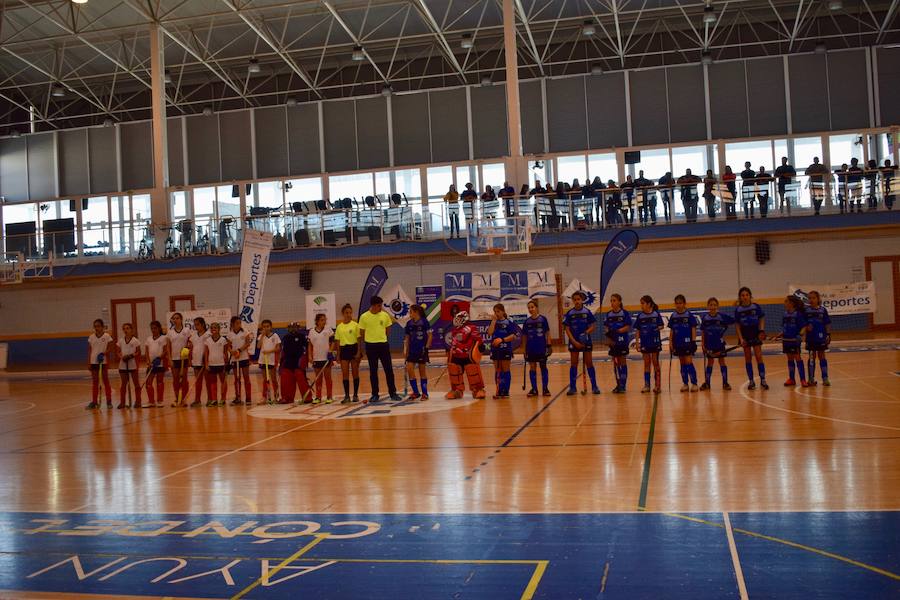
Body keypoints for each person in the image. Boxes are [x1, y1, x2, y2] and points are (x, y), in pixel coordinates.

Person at [358, 296, 399, 403]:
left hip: (383, 345)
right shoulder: (364, 317)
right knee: (373, 371)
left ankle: (393, 393)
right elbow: (362, 333)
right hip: (371, 346)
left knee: (389, 370)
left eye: (381, 305)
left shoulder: (385, 315)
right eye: (379, 305)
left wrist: (381, 338)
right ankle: (375, 394)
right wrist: (369, 341)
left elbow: (388, 330)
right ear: (373, 305)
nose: (380, 307)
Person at [563, 291, 600, 395]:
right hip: (574, 342)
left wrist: (586, 333)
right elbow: (567, 329)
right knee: (574, 364)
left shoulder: (587, 312)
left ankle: (594, 386)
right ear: (572, 301)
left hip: (586, 341)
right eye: (574, 300)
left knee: (589, 363)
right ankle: (573, 387)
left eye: (578, 299)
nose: (577, 301)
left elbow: (593, 326)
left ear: (582, 300)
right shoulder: (569, 313)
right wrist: (574, 342)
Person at [445, 311, 486, 400]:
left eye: (459, 319)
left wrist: (480, 349)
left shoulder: (472, 328)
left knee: (472, 371)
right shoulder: (454, 330)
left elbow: (479, 341)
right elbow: (453, 344)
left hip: (468, 355)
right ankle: (457, 390)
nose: (457, 321)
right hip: (457, 355)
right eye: (456, 319)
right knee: (454, 370)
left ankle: (478, 389)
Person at [735, 286, 768, 390]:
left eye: (747, 295)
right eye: (742, 295)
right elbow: (737, 325)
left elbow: (762, 318)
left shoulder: (756, 307)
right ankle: (751, 381)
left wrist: (761, 330)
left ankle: (763, 380)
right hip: (745, 336)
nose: (745, 297)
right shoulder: (738, 310)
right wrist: (741, 338)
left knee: (759, 357)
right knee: (748, 358)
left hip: (755, 335)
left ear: (750, 296)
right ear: (740, 297)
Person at [699, 298, 733, 391]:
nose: (713, 307)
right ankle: (707, 383)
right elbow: (703, 332)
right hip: (709, 344)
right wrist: (702, 344)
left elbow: (733, 321)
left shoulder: (722, 316)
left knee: (722, 361)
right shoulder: (705, 318)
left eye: (714, 305)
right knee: (710, 363)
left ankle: (725, 383)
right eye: (711, 305)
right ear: (708, 306)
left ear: (717, 306)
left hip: (720, 344)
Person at [488, 303, 519, 399]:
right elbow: (490, 333)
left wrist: (502, 340)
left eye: (498, 311)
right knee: (497, 370)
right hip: (495, 350)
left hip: (505, 348)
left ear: (503, 311)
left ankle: (506, 391)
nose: (496, 313)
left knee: (505, 369)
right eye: (495, 312)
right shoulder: (494, 322)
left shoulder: (508, 322)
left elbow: (513, 336)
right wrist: (493, 321)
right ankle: (499, 390)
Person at [669, 294, 699, 392]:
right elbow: (672, 330)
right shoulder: (673, 316)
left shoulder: (689, 315)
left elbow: (693, 328)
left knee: (689, 362)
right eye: (677, 303)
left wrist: (693, 341)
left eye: (680, 303)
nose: (678, 305)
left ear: (684, 304)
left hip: (688, 343)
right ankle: (685, 384)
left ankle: (694, 384)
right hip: (678, 343)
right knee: (682, 363)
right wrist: (670, 342)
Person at [633, 295, 663, 394]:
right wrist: (637, 342)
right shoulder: (640, 316)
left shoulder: (656, 314)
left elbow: (661, 325)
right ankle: (647, 385)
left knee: (655, 363)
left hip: (654, 342)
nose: (641, 305)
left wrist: (655, 329)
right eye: (641, 303)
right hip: (645, 343)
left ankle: (657, 385)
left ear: (649, 304)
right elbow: (637, 330)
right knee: (646, 364)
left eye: (643, 303)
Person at [604, 293, 632, 393]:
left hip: (622, 342)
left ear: (619, 302)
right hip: (613, 343)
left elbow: (628, 326)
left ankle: (623, 385)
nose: (612, 302)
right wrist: (609, 337)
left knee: (622, 362)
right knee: (615, 364)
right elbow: (606, 328)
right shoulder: (608, 314)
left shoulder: (624, 313)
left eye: (614, 300)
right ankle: (618, 384)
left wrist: (618, 331)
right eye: (611, 301)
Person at [523, 299, 551, 397]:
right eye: (529, 308)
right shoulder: (527, 322)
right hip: (531, 349)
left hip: (541, 348)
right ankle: (534, 389)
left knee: (543, 367)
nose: (531, 309)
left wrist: (549, 346)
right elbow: (525, 337)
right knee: (532, 368)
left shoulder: (543, 319)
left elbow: (547, 333)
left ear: (536, 308)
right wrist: (524, 350)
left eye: (532, 307)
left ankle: (545, 389)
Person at [404, 304, 432, 401]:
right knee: (410, 369)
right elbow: (407, 338)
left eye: (410, 312)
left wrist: (426, 348)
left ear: (416, 312)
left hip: (422, 350)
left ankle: (425, 394)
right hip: (412, 351)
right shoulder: (409, 324)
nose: (409, 314)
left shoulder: (424, 322)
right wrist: (406, 351)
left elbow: (430, 336)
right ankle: (416, 392)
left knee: (422, 372)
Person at [335, 304, 361, 403]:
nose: (349, 314)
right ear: (343, 314)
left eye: (350, 313)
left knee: (355, 373)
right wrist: (338, 354)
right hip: (344, 350)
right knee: (345, 374)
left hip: (354, 349)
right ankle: (346, 396)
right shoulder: (339, 327)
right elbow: (337, 341)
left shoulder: (355, 325)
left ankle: (355, 395)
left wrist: (359, 352)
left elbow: (359, 340)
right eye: (346, 313)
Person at [804, 290, 832, 386]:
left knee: (822, 356)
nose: (811, 300)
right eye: (810, 298)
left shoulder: (823, 310)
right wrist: (806, 326)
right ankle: (811, 379)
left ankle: (825, 378)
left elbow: (827, 323)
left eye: (813, 298)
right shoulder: (806, 310)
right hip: (810, 338)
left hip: (821, 337)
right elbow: (802, 323)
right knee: (812, 357)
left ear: (818, 299)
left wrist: (828, 334)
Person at [280, 321, 310, 404]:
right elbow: (283, 351)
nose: (293, 329)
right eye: (291, 327)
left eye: (295, 327)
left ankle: (307, 397)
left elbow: (307, 349)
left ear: (298, 328)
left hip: (298, 362)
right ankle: (287, 398)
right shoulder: (285, 337)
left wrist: (305, 361)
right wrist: (281, 363)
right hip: (288, 362)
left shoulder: (302, 336)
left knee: (302, 380)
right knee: (286, 381)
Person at [86, 318, 114, 410]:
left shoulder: (107, 336)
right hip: (94, 362)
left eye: (98, 326)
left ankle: (109, 401)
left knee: (106, 381)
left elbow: (110, 348)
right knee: (95, 382)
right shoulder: (91, 337)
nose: (96, 328)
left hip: (103, 361)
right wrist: (89, 362)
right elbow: (90, 350)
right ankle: (94, 402)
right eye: (95, 326)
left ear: (102, 327)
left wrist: (104, 354)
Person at [782, 295, 809, 388]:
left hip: (794, 340)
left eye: (786, 301)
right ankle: (792, 379)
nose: (784, 303)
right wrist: (781, 334)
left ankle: (803, 380)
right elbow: (785, 326)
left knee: (798, 358)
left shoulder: (798, 314)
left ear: (791, 303)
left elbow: (804, 326)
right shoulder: (785, 314)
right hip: (786, 340)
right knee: (789, 359)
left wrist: (800, 335)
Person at [308, 313, 334, 404]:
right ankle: (318, 397)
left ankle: (329, 396)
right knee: (318, 379)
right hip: (316, 358)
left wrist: (330, 351)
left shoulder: (328, 330)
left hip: (326, 358)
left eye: (325, 320)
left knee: (328, 378)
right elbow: (310, 345)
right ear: (317, 321)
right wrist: (310, 356)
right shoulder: (311, 331)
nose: (324, 322)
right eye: (322, 320)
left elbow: (332, 342)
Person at [166, 312, 191, 407]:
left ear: (181, 319)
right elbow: (168, 347)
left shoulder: (186, 330)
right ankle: (177, 398)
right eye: (174, 318)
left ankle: (184, 399)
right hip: (174, 358)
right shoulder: (170, 332)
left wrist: (189, 357)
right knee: (176, 379)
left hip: (184, 358)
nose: (175, 320)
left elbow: (190, 344)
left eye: (177, 318)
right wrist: (169, 359)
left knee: (184, 379)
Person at [226, 316, 252, 405]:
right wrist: (232, 352)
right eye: (237, 323)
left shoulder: (245, 332)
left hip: (244, 357)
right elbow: (228, 346)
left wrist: (239, 351)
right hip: (234, 358)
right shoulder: (230, 334)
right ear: (232, 324)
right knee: (237, 378)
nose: (239, 324)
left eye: (240, 323)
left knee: (246, 378)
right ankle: (238, 397)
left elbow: (248, 343)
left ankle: (248, 398)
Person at [203, 322, 230, 406]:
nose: (213, 329)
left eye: (215, 328)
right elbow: (206, 353)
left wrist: (226, 364)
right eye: (212, 328)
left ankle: (223, 399)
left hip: (221, 364)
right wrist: (206, 364)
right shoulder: (207, 340)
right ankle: (214, 399)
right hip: (211, 364)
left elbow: (225, 352)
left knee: (223, 382)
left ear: (219, 329)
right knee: (213, 382)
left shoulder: (223, 340)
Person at [116, 322, 141, 409]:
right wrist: (122, 357)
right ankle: (122, 402)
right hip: (123, 365)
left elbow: (138, 352)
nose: (126, 330)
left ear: (131, 330)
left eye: (127, 328)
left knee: (136, 384)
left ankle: (138, 401)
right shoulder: (121, 340)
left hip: (132, 365)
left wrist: (130, 356)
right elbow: (118, 351)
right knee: (123, 384)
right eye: (124, 329)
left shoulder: (135, 341)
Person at [144, 319, 168, 407]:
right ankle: (151, 401)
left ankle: (160, 401)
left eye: (155, 328)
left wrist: (159, 358)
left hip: (160, 363)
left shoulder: (163, 338)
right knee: (148, 383)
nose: (153, 330)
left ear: (159, 328)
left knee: (159, 382)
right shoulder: (148, 339)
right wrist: (148, 361)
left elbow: (165, 350)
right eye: (152, 328)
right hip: (151, 365)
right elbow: (146, 351)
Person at [257, 319, 281, 404]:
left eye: (267, 326)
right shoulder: (261, 336)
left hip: (271, 360)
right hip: (263, 360)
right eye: (264, 327)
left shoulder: (275, 336)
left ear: (271, 327)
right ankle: (265, 397)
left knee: (273, 378)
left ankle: (276, 395)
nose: (266, 328)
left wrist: (269, 351)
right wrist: (262, 335)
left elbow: (278, 348)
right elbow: (259, 346)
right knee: (265, 379)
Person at [188, 317, 210, 407]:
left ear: (203, 324)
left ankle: (210, 399)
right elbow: (191, 348)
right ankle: (197, 400)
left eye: (197, 324)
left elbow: (208, 348)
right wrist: (190, 359)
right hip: (196, 361)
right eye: (195, 324)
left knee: (208, 381)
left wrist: (205, 360)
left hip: (205, 362)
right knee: (198, 382)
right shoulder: (193, 336)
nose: (196, 326)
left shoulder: (208, 335)